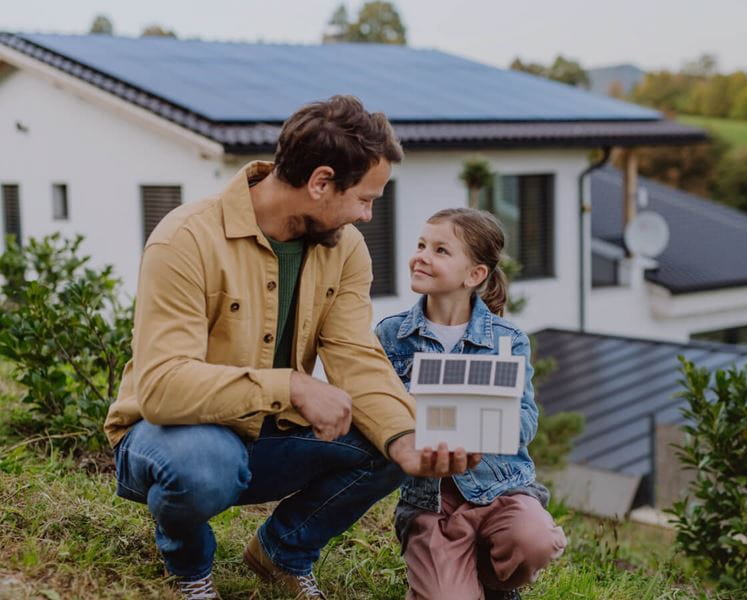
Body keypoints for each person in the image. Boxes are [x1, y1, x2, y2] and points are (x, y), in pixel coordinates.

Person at [104, 96, 479, 600]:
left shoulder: (344, 249)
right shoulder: (186, 238)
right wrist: (292, 385)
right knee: (205, 462)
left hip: (265, 437)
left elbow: (355, 357)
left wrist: (405, 437)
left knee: (389, 432)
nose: (368, 216)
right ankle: (189, 567)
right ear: (321, 182)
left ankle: (282, 552)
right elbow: (161, 389)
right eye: (365, 199)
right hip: (168, 438)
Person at [375, 208, 568, 600]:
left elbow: (527, 419)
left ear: (475, 275)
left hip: (501, 489)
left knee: (536, 540)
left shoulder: (507, 339)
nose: (422, 256)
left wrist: (483, 422)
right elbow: (378, 412)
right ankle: (455, 573)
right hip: (432, 501)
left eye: (441, 250)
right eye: (421, 245)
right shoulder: (392, 335)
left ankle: (495, 583)